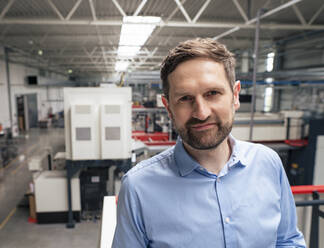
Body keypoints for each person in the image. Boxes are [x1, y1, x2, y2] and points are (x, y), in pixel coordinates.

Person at [112, 38, 306, 248]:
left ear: (235, 95)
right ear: (168, 108)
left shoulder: (268, 163)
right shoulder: (138, 187)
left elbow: (288, 240)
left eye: (212, 93)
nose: (202, 113)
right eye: (185, 98)